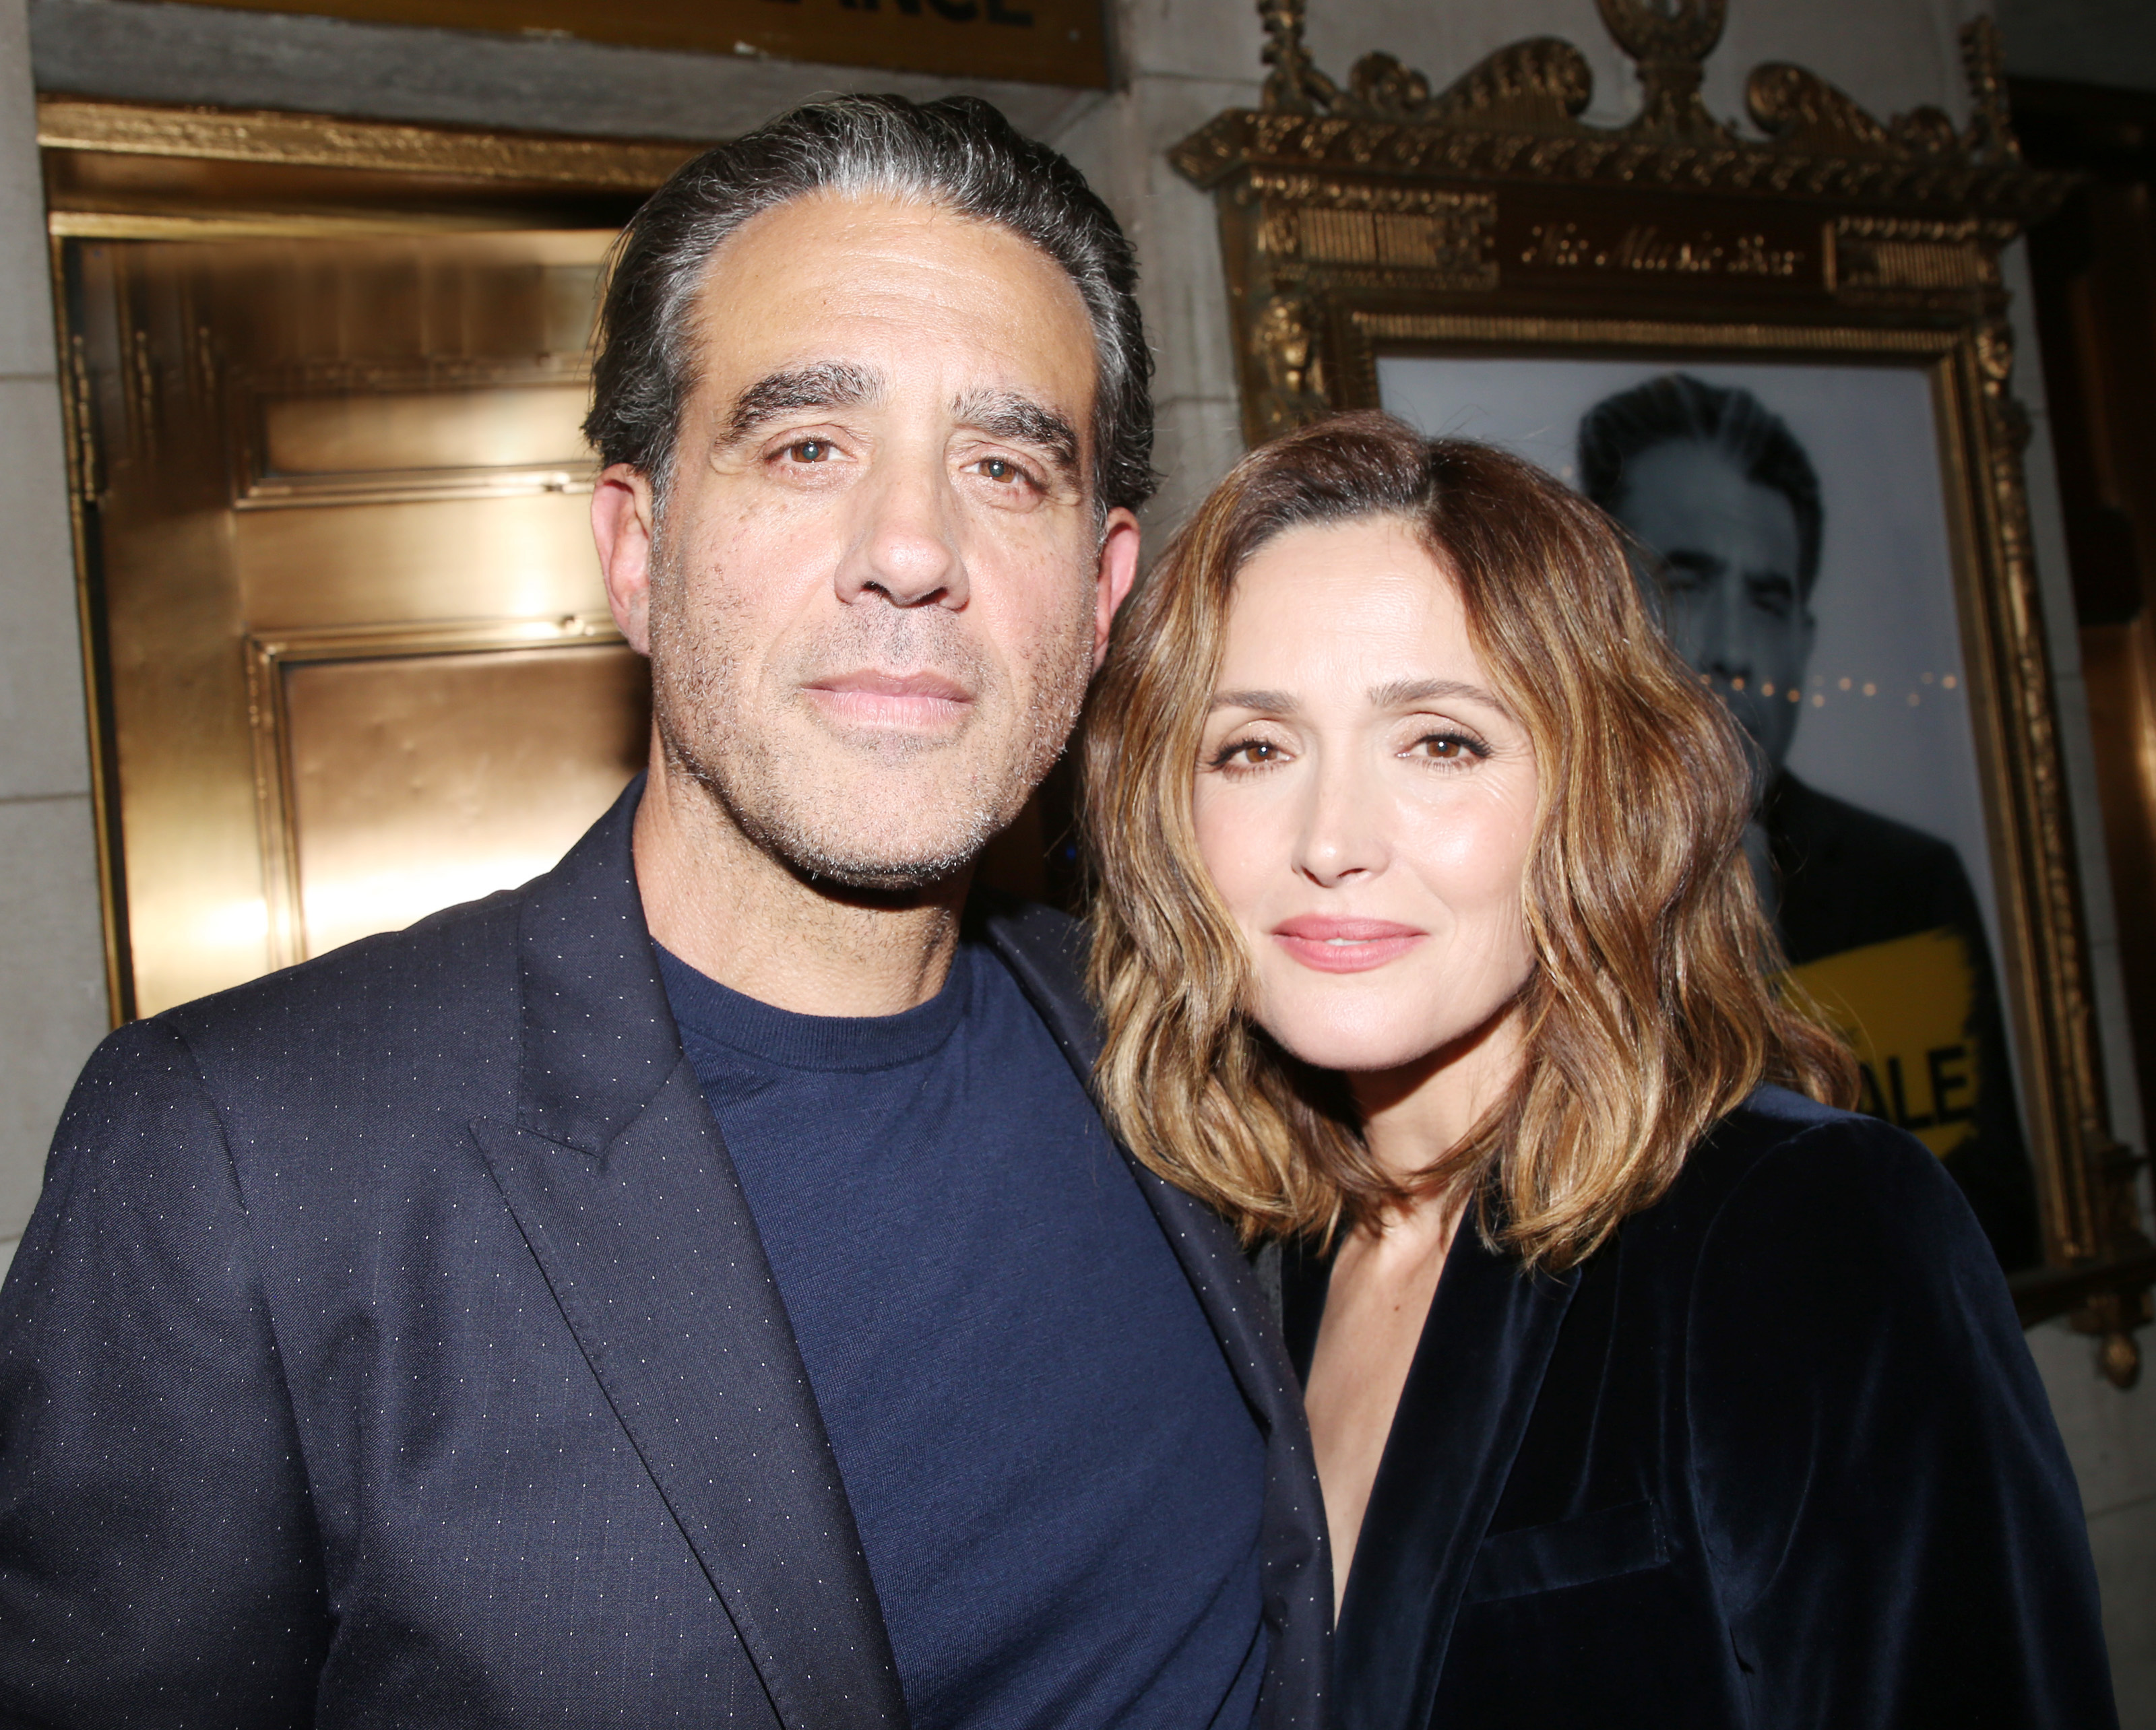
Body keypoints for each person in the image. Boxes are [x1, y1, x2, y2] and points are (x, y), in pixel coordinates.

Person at [0, 98, 1330, 1727]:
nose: (910, 550)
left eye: (1003, 465)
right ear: (635, 546)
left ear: (1105, 590)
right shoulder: (243, 1155)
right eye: (804, 447)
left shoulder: (1195, 1043)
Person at [1083, 413, 2115, 1728]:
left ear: (1593, 796)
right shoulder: (1236, 1267)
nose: (1329, 839)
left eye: (1439, 741)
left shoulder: (1810, 1235)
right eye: (1255, 748)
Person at [1578, 371, 2039, 1268]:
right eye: (1687, 581)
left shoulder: (1905, 882)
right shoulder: (1513, 883)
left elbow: (1998, 1225)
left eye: (1769, 600)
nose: (1735, 650)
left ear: (1806, 639)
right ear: (1601, 609)